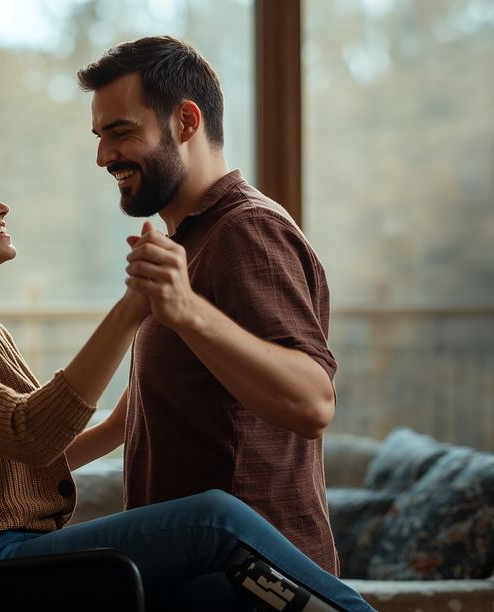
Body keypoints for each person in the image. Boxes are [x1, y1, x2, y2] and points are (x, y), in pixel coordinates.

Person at [0, 150, 373, 611]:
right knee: (214, 520)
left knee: (214, 588)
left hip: (4, 556)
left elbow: (31, 454)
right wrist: (132, 309)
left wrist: (126, 419)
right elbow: (29, 433)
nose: (0, 207)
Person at [69, 35, 343, 577]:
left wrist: (187, 311)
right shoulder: (190, 241)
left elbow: (314, 403)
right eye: (100, 136)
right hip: (197, 573)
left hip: (254, 582)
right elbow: (134, 416)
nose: (104, 157)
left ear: (186, 123)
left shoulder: (248, 231)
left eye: (121, 133)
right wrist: (14, 472)